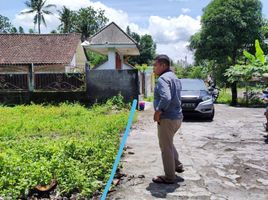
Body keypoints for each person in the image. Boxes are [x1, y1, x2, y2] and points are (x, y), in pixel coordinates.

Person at [152, 54, 184, 184]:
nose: (154, 68)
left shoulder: (163, 79)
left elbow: (166, 97)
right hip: (177, 118)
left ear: (163, 65)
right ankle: (177, 165)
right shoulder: (174, 78)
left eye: (155, 65)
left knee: (165, 147)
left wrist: (158, 111)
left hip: (167, 118)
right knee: (168, 143)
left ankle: (170, 177)